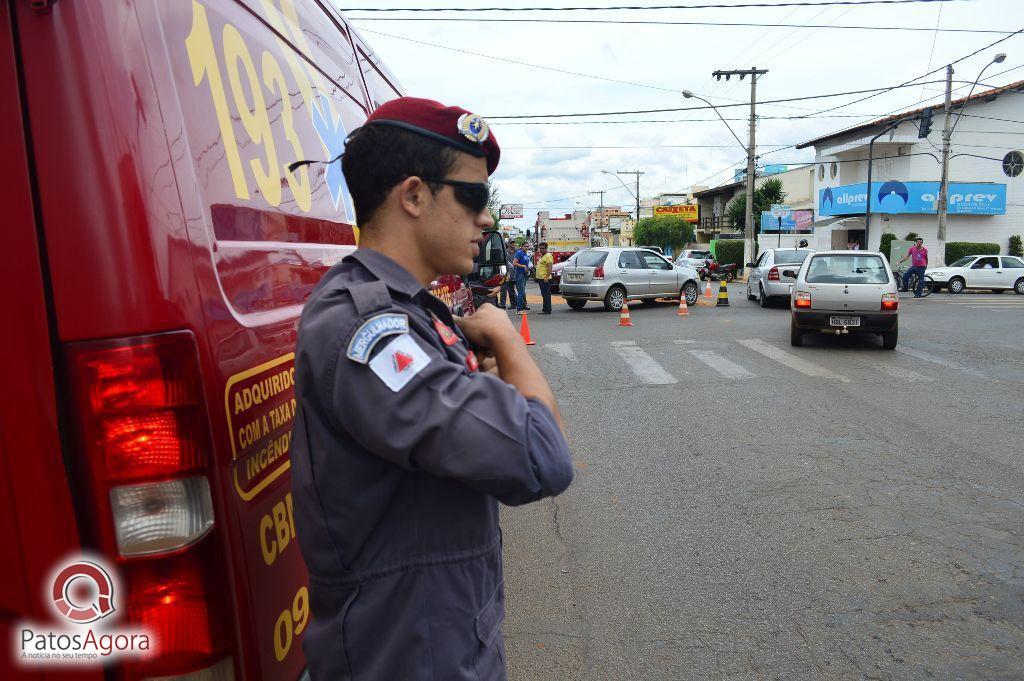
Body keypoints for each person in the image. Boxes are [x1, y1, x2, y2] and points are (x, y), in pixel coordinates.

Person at [290, 97, 574, 681]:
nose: (487, 219)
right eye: (473, 197)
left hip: (440, 641)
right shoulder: (368, 329)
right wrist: (509, 341)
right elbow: (542, 457)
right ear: (414, 196)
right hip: (406, 657)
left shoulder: (410, 313)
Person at [535, 242, 554, 314]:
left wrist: (546, 277)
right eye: (540, 248)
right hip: (541, 278)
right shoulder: (542, 256)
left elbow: (550, 267)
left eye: (543, 248)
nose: (541, 250)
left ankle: (547, 309)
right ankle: (545, 309)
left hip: (545, 278)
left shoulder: (548, 256)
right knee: (544, 294)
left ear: (546, 248)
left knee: (546, 294)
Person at [512, 242, 531, 314]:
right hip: (520, 274)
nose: (526, 248)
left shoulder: (525, 253)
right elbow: (514, 263)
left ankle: (521, 307)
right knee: (521, 292)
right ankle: (519, 309)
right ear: (521, 246)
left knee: (522, 292)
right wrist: (523, 266)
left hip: (525, 274)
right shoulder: (519, 253)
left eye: (527, 246)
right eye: (525, 246)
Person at [498, 242, 516, 309]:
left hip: (513, 272)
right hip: (506, 273)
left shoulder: (517, 252)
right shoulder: (505, 253)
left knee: (515, 290)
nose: (512, 244)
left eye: (513, 243)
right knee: (505, 289)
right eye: (511, 243)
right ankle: (503, 304)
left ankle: (516, 304)